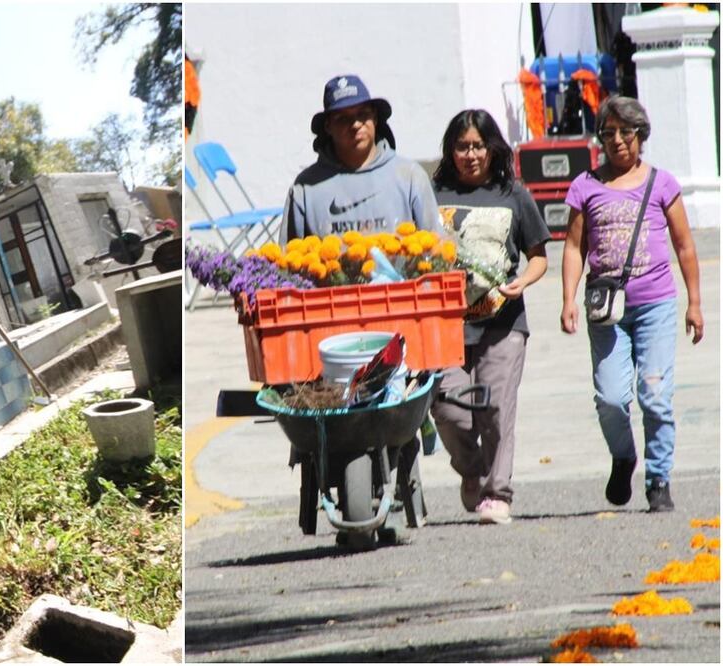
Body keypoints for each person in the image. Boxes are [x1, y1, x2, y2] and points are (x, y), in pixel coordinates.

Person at [560, 96, 703, 513]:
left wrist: (695, 303)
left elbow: (685, 247)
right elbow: (573, 248)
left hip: (656, 304)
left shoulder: (661, 183)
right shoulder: (585, 186)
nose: (618, 141)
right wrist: (567, 299)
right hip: (607, 309)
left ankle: (659, 479)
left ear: (641, 135)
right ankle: (624, 457)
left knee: (655, 395)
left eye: (627, 132)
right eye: (609, 133)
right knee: (610, 398)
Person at [428, 109, 551, 525]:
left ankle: (497, 493)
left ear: (492, 148)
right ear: (450, 150)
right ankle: (473, 469)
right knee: (447, 408)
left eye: (478, 145)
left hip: (503, 321)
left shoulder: (513, 194)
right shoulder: (432, 195)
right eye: (462, 146)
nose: (470, 154)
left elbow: (538, 257)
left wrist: (523, 283)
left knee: (497, 408)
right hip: (444, 326)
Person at [280, 74, 441, 242]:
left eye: (363, 114)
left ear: (375, 118)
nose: (356, 125)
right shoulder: (306, 188)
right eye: (343, 119)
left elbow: (437, 251)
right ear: (328, 126)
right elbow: (288, 260)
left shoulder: (409, 176)